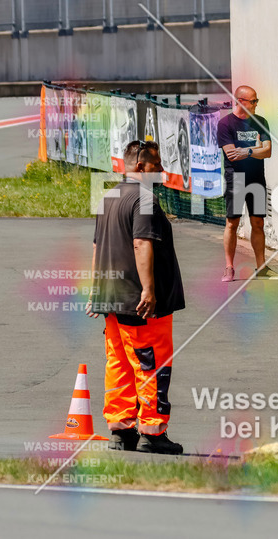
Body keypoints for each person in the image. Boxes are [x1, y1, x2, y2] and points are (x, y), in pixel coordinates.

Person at [86, 140, 184, 455]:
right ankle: (152, 433)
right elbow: (142, 244)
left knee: (119, 363)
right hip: (139, 304)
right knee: (150, 364)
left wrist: (95, 291)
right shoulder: (144, 200)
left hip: (113, 300)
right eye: (156, 166)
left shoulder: (110, 197)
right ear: (141, 167)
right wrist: (149, 290)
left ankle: (121, 428)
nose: (162, 171)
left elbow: (98, 247)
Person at [217, 85, 278, 282]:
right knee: (232, 223)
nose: (256, 104)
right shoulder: (225, 124)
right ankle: (229, 267)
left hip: (256, 178)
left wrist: (247, 151)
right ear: (241, 102)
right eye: (253, 101)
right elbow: (231, 155)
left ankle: (261, 266)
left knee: (258, 223)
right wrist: (256, 148)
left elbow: (268, 151)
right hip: (235, 179)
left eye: (257, 101)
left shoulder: (261, 122)